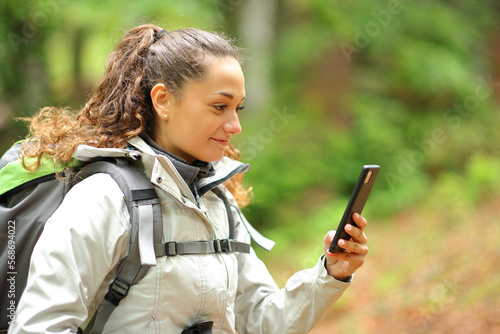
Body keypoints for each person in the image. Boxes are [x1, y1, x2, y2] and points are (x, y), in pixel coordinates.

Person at [9, 24, 369, 334]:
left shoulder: (217, 202)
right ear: (163, 101)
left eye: (237, 108)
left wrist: (330, 274)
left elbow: (259, 322)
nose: (235, 125)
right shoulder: (104, 198)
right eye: (219, 106)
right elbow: (40, 324)